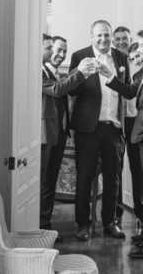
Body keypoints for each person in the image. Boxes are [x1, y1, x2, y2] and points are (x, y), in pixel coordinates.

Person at [68, 19, 131, 241]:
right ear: (92, 37)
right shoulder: (79, 56)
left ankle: (110, 223)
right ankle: (83, 224)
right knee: (85, 177)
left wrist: (112, 78)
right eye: (99, 35)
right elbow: (72, 91)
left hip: (113, 128)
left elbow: (129, 91)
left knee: (113, 179)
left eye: (107, 35)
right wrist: (82, 73)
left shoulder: (121, 58)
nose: (104, 39)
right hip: (87, 129)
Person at [104, 28, 143, 260]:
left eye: (140, 44)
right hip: (140, 137)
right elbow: (130, 92)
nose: (136, 49)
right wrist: (109, 77)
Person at [40, 35, 96, 233]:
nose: (61, 54)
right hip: (45, 136)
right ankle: (42, 228)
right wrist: (79, 73)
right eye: (57, 49)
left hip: (60, 134)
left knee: (50, 181)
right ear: (46, 49)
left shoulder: (55, 73)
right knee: (44, 181)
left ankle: (46, 226)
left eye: (64, 51)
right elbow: (57, 90)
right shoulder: (40, 72)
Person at [112, 27, 143, 231]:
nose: (122, 41)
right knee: (116, 170)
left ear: (130, 40)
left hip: (136, 121)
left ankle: (142, 214)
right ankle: (116, 214)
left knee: (138, 169)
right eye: (118, 39)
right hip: (117, 120)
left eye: (125, 38)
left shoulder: (139, 61)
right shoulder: (112, 61)